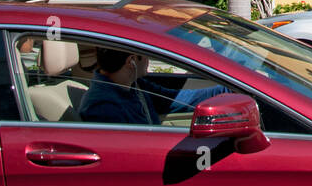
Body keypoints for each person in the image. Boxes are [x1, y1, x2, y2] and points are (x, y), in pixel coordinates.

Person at [79, 47, 230, 126]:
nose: (148, 59)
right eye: (144, 53)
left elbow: (176, 99)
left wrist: (228, 90)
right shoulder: (103, 106)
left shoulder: (134, 86)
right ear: (131, 61)